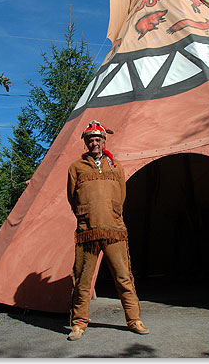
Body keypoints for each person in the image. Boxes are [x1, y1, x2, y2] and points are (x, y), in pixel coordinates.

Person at [67, 120, 149, 341]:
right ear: (86, 143)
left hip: (114, 230)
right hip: (88, 231)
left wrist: (112, 212)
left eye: (98, 139)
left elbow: (121, 196)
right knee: (83, 279)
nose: (94, 143)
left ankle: (134, 320)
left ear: (104, 141)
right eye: (91, 140)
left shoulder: (116, 166)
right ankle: (78, 324)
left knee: (123, 276)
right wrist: (85, 214)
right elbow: (72, 197)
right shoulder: (76, 167)